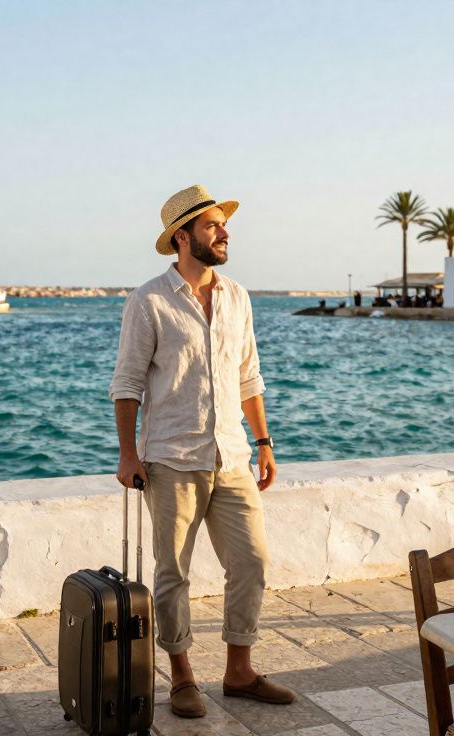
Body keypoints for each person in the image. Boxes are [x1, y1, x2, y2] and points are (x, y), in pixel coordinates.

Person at [110, 184, 295, 719]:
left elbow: (249, 376)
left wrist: (263, 442)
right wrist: (129, 455)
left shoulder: (237, 296)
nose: (225, 232)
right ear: (182, 236)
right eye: (213, 225)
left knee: (253, 561)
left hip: (231, 455)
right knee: (173, 572)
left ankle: (239, 671)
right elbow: (127, 384)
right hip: (171, 457)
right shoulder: (148, 301)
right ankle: (183, 676)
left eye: (223, 224)